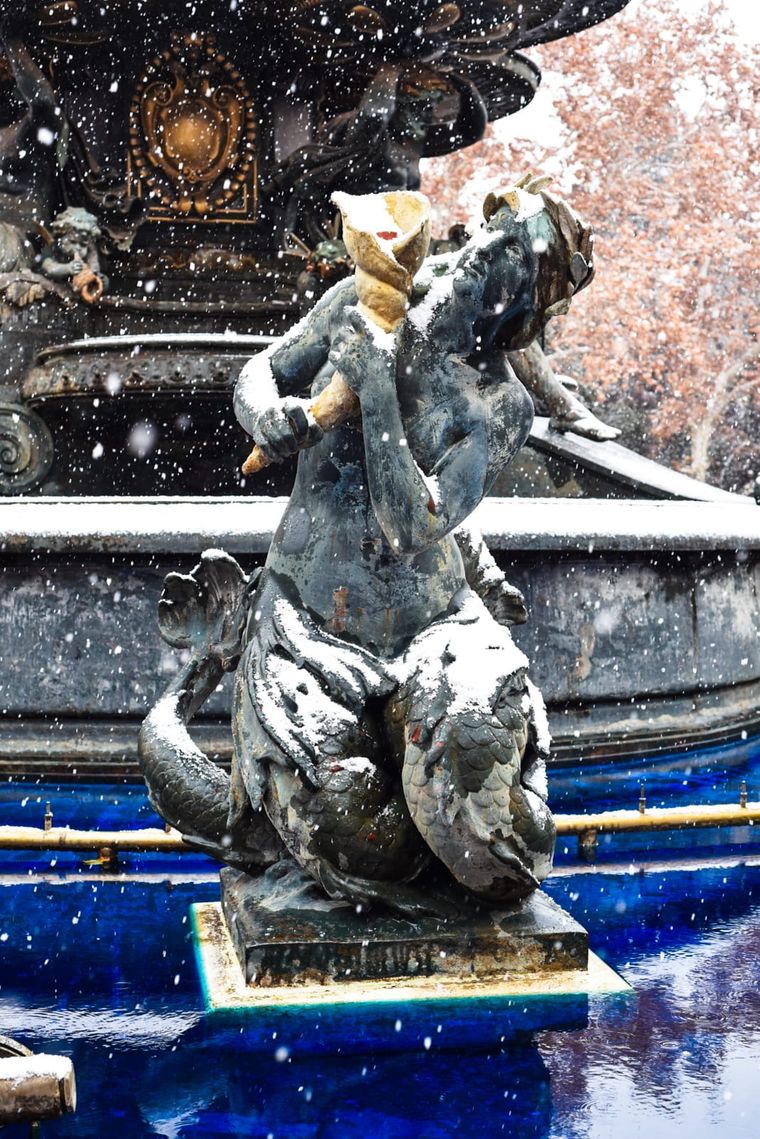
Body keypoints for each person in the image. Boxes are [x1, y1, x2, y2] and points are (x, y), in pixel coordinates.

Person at [230, 180, 593, 911]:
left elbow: (413, 525)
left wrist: (376, 392)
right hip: (309, 625)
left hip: (436, 631)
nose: (484, 247)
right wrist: (266, 412)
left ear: (522, 310)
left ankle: (480, 791)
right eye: (493, 229)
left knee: (486, 840)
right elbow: (266, 367)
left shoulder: (498, 406)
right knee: (353, 835)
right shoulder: (362, 299)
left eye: (512, 254)